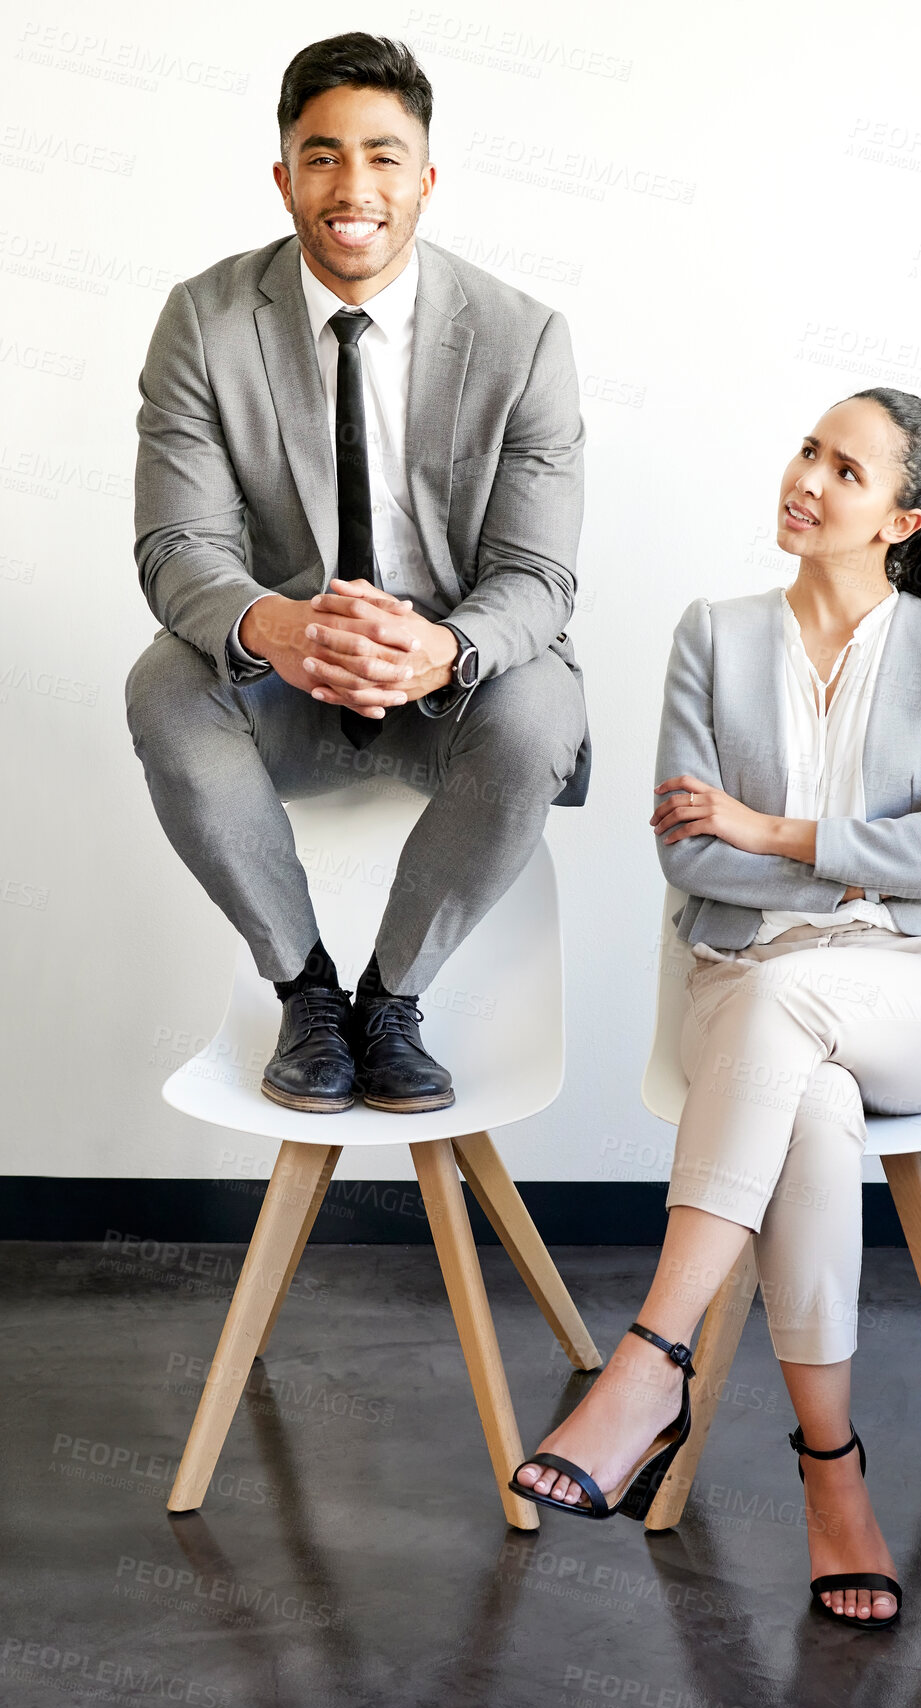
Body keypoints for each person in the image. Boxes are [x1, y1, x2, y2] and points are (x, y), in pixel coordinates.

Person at [512, 387, 921, 1631]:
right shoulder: (714, 633)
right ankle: (832, 1478)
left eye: (845, 471)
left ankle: (648, 1361)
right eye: (808, 448)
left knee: (798, 1006)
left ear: (898, 518)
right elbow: (691, 860)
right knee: (813, 1100)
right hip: (746, 986)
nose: (806, 477)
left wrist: (774, 829)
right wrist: (870, 846)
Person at [126, 34, 589, 1116]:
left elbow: (536, 574)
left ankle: (391, 1000)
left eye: (384, 157)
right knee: (162, 682)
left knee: (539, 707)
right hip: (280, 683)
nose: (353, 188)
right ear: (283, 176)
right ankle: (307, 992)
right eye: (322, 156)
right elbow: (175, 547)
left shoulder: (524, 340)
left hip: (450, 691)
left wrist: (441, 647)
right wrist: (283, 631)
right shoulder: (203, 319)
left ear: (425, 178)